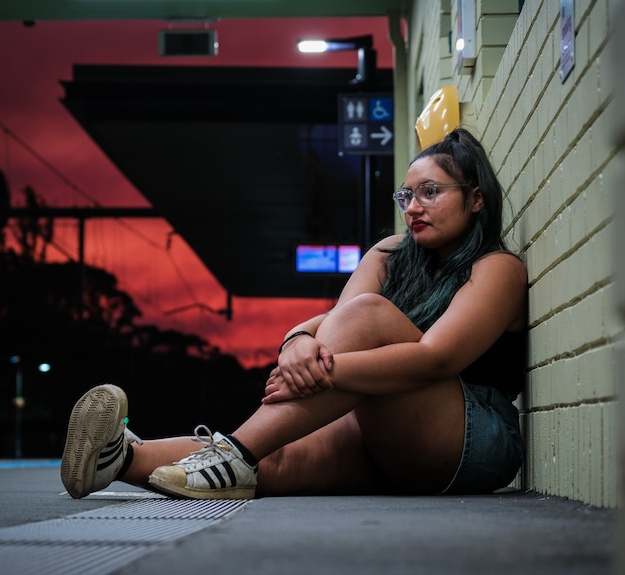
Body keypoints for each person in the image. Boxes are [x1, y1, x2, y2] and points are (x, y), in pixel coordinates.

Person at [60, 127, 527, 500]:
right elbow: (329, 325)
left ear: (476, 198)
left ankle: (236, 451)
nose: (413, 208)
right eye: (405, 197)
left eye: (429, 192)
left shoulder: (497, 269)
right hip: (389, 430)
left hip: (471, 438)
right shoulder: (390, 255)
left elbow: (435, 358)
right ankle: (119, 459)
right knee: (274, 461)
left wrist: (326, 369)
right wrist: (298, 342)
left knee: (369, 316)